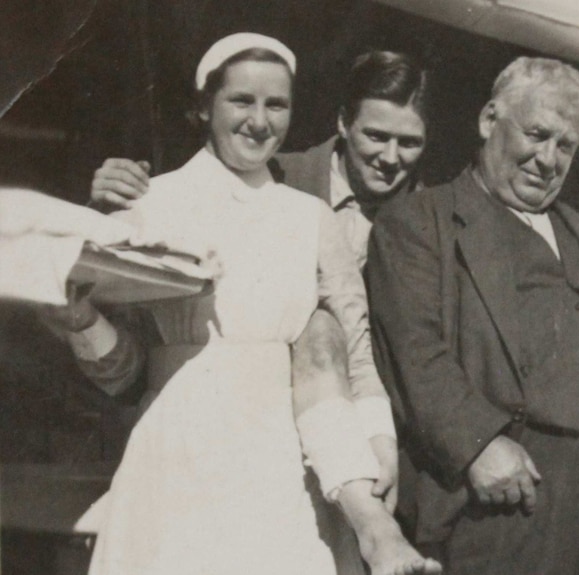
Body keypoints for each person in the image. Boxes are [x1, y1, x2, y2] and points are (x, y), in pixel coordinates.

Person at [42, 33, 440, 575]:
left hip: (281, 463)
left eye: (276, 104)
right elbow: (126, 375)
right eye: (241, 101)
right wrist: (80, 320)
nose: (260, 120)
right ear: (204, 106)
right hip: (175, 459)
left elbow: (353, 342)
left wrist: (377, 442)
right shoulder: (148, 202)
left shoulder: (308, 216)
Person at [366, 56, 579, 575]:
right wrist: (475, 445)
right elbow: (415, 354)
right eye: (537, 134)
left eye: (565, 145)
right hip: (506, 504)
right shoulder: (418, 222)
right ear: (488, 120)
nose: (548, 159)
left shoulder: (578, 228)